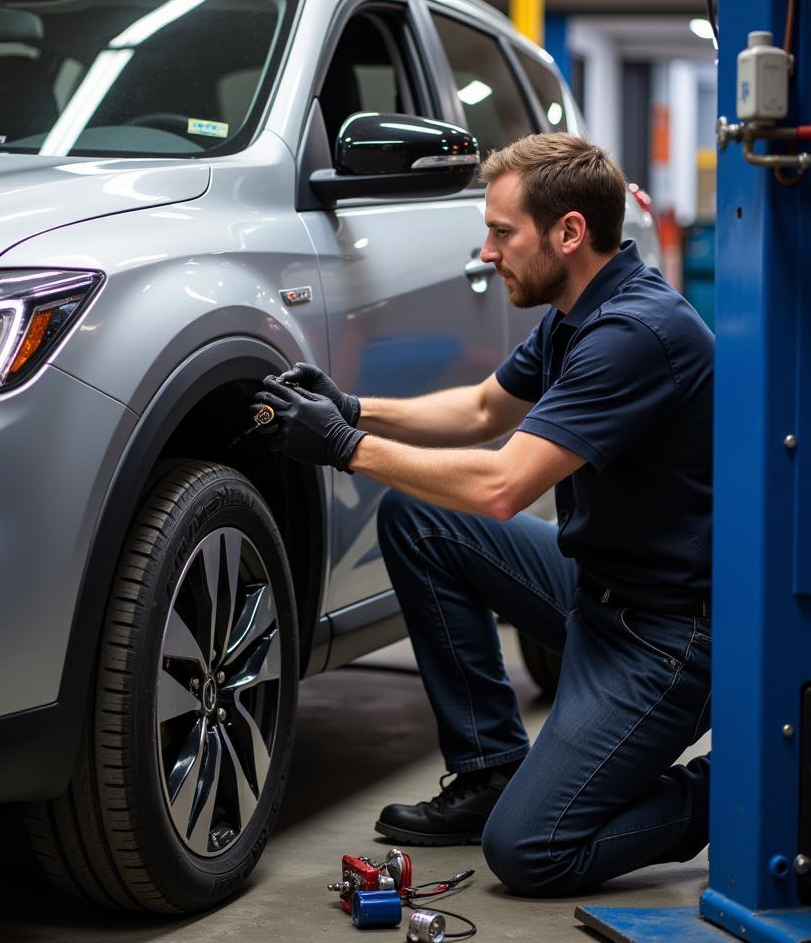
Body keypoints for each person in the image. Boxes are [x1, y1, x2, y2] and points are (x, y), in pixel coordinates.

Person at [252, 133, 713, 898]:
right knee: (417, 519)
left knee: (532, 851)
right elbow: (480, 410)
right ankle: (490, 769)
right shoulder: (577, 311)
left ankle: (730, 797)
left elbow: (503, 484)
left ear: (568, 232)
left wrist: (343, 446)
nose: (486, 253)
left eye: (503, 233)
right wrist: (353, 406)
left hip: (663, 637)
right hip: (595, 588)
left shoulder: (634, 335)